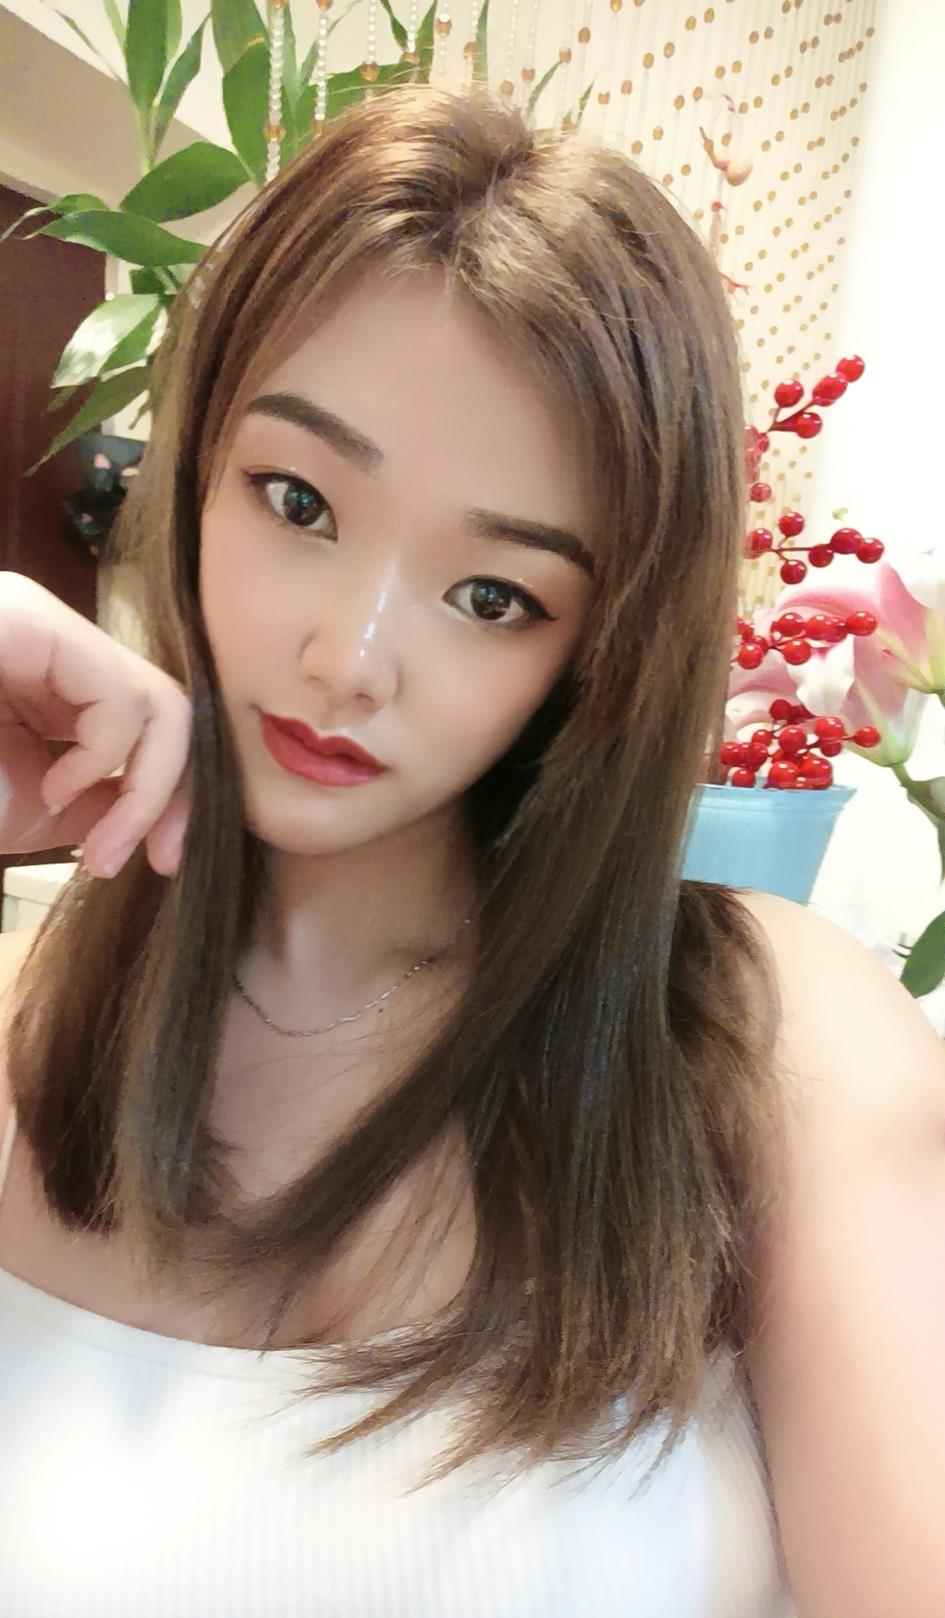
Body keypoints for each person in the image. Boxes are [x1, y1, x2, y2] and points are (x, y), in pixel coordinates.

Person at [0, 84, 942, 1618]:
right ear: (193, 468)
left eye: (492, 595)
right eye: (298, 500)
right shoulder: (30, 1023)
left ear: (597, 647)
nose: (350, 655)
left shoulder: (770, 1047)